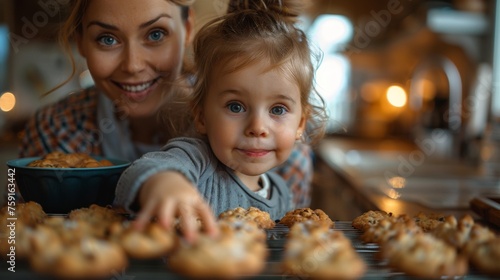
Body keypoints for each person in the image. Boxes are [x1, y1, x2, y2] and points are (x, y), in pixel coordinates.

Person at [16, 0, 315, 209]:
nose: (133, 65)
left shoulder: (283, 158)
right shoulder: (53, 133)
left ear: (187, 28)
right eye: (107, 39)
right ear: (80, 41)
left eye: (155, 34)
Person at [114, 0, 328, 240]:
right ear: (201, 116)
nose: (257, 128)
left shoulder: (283, 194)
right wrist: (166, 184)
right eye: (235, 106)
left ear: (300, 124)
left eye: (277, 110)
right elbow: (144, 170)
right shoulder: (196, 160)